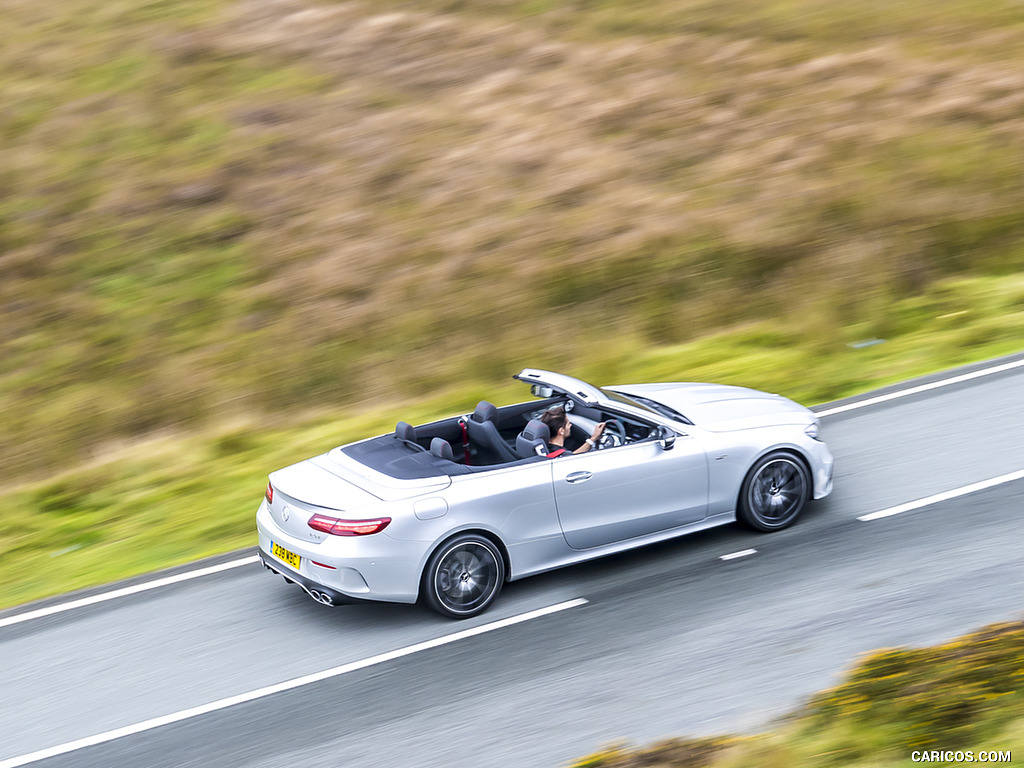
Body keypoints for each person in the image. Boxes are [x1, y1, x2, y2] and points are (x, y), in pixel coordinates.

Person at [539, 406, 606, 457]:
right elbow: (574, 456)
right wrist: (594, 438)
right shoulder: (559, 455)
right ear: (561, 431)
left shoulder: (542, 445)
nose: (571, 425)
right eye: (568, 424)